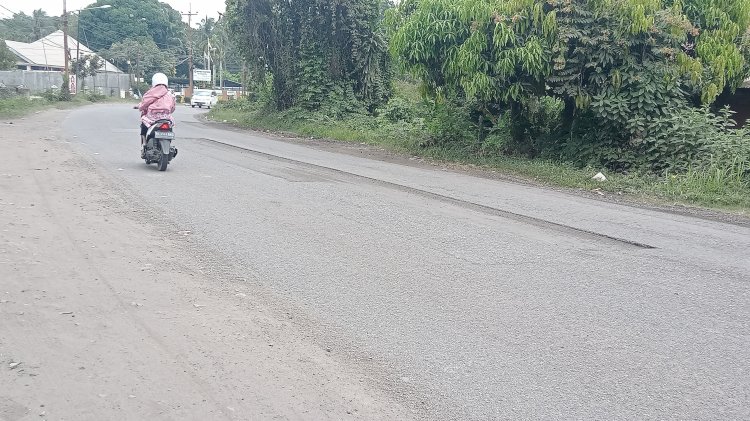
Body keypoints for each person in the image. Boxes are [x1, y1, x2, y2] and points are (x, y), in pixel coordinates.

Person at [137, 73, 176, 156]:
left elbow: (144, 104)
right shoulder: (170, 94)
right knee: (170, 127)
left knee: (143, 123)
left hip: (153, 118)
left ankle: (144, 145)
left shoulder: (150, 93)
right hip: (166, 118)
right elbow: (172, 108)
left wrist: (139, 107)